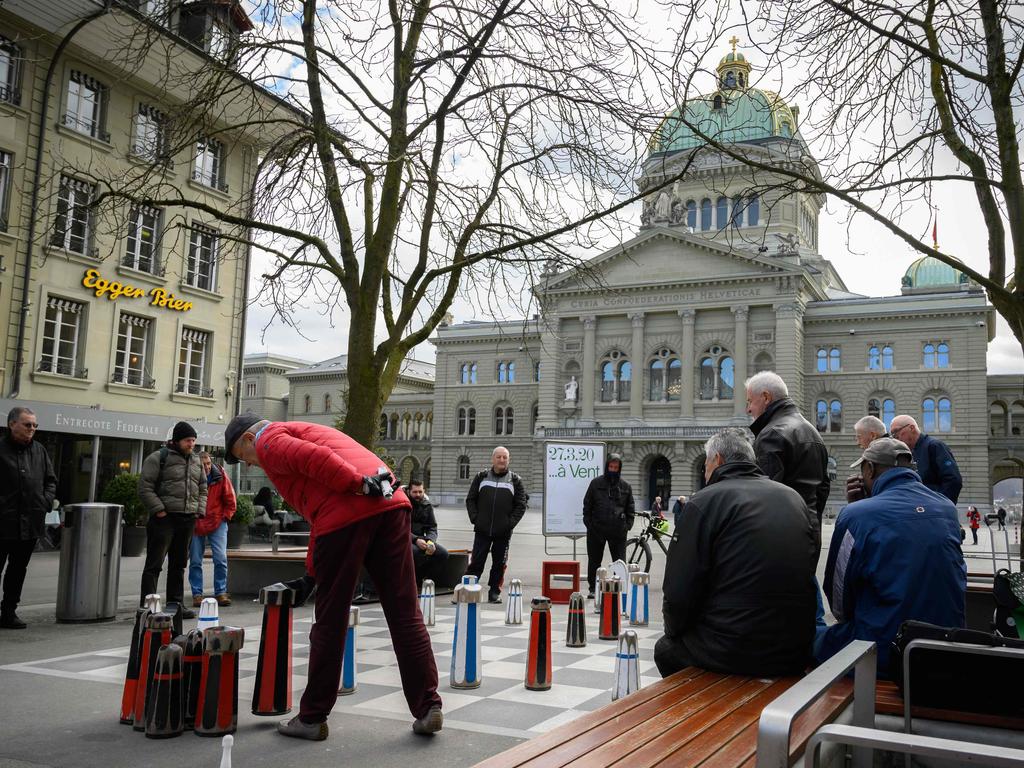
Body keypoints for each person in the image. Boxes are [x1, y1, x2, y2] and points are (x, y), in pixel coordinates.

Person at [224, 413, 442, 741]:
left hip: (351, 512)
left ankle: (312, 717)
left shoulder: (268, 440)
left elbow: (317, 459)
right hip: (391, 505)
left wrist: (356, 484)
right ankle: (428, 707)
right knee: (405, 613)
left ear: (247, 439)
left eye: (244, 457)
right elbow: (319, 513)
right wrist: (312, 573)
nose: (252, 465)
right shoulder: (309, 429)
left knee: (330, 620)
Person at [655, 429, 818, 678]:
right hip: (796, 647)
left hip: (734, 651)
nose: (704, 472)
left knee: (666, 649)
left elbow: (678, 592)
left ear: (718, 460)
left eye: (706, 464)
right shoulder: (793, 497)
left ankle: (705, 713)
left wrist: (675, 632)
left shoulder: (704, 501)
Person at [816, 438, 966, 674]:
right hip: (943, 645)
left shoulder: (855, 515)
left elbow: (838, 603)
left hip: (883, 650)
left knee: (812, 636)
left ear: (870, 469)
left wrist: (857, 509)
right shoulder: (946, 508)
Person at [138, 421, 207, 619]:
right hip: (164, 519)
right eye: (188, 440)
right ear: (177, 440)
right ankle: (148, 605)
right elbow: (145, 487)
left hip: (187, 518)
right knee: (154, 564)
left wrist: (198, 511)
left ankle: (176, 605)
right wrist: (160, 510)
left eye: (193, 440)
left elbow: (203, 487)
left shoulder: (196, 461)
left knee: (179, 564)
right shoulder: (159, 458)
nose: (192, 444)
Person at [745, 371, 830, 522]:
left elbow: (765, 495)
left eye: (750, 401)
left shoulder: (771, 435)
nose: (748, 409)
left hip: (781, 531)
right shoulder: (813, 432)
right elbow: (823, 489)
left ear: (766, 397)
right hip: (810, 527)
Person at [0, 407, 57, 629]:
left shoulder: (39, 450)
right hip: (3, 521)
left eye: (34, 425)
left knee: (17, 571)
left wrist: (44, 501)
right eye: (27, 424)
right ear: (12, 424)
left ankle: (9, 612)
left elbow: (51, 480)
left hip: (29, 523)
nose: (32, 429)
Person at [465, 446, 528, 603]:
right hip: (482, 529)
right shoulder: (481, 477)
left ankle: (494, 592)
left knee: (499, 563)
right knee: (476, 562)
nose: (501, 460)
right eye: (498, 457)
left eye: (504, 457)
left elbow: (521, 505)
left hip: (503, 532)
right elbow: (471, 499)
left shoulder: (515, 480)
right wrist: (475, 518)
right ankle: (467, 590)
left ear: (508, 460)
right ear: (493, 459)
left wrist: (509, 524)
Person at [582, 453, 636, 599]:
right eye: (611, 467)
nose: (613, 469)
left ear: (619, 469)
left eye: (616, 467)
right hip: (596, 530)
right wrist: (589, 524)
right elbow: (587, 504)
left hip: (618, 531)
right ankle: (593, 588)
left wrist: (627, 525)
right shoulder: (596, 483)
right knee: (594, 561)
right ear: (607, 467)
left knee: (619, 562)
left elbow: (630, 508)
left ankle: (619, 588)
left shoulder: (626, 486)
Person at [189, 452, 236, 607]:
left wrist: (226, 517)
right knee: (195, 561)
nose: (207, 467)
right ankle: (197, 594)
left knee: (220, 558)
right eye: (203, 464)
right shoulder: (191, 477)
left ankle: (221, 592)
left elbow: (230, 499)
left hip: (217, 521)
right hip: (196, 523)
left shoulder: (220, 475)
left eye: (208, 463)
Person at [889, 415, 962, 503]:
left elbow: (953, 480)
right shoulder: (906, 452)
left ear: (911, 428)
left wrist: (941, 506)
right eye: (892, 434)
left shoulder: (934, 446)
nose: (894, 437)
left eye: (896, 431)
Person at [407, 479, 448, 585]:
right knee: (415, 552)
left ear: (424, 491)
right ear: (409, 491)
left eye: (420, 492)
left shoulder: (427, 505)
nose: (418, 494)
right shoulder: (403, 504)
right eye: (415, 492)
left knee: (442, 553)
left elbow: (432, 527)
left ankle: (426, 579)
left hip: (423, 539)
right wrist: (416, 540)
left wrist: (430, 541)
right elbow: (400, 528)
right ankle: (412, 582)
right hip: (406, 539)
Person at [847, 415, 889, 502]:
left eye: (859, 437)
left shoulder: (877, 459)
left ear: (873, 435)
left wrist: (857, 503)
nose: (858, 443)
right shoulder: (897, 452)